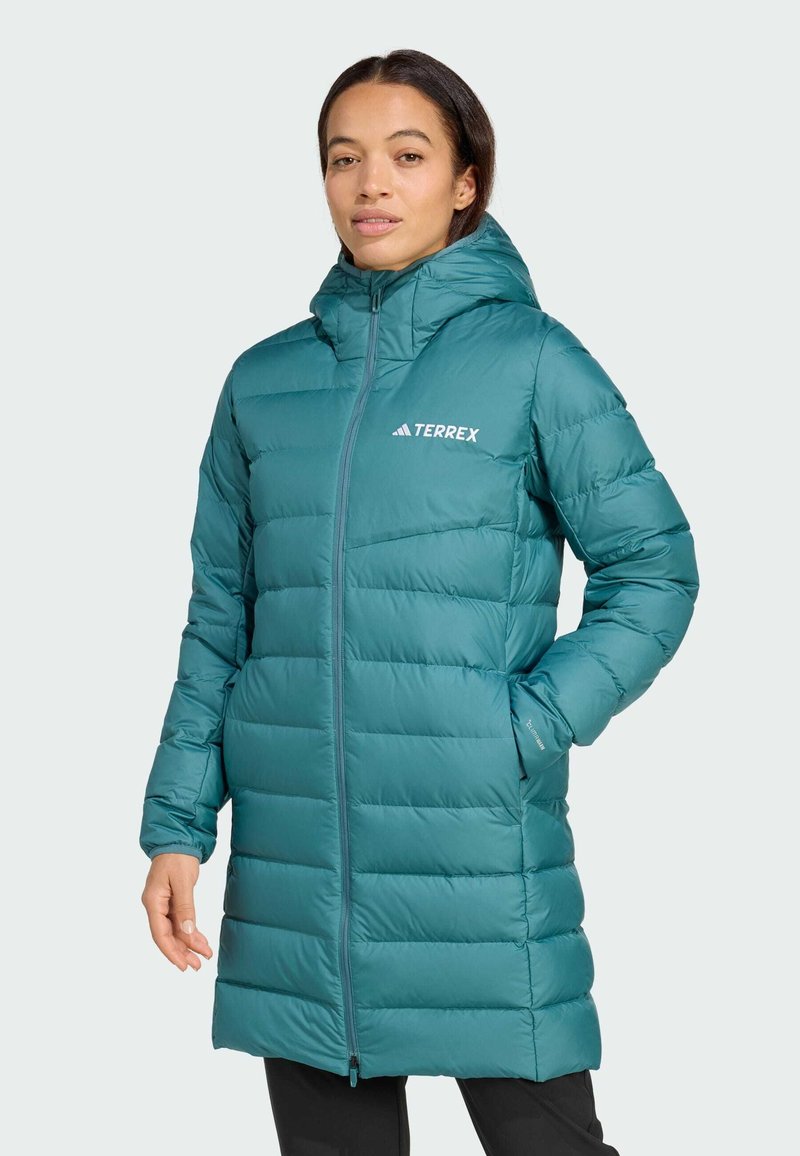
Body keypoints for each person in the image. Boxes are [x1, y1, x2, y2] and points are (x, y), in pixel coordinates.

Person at [140, 47, 699, 1155]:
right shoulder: (263, 381)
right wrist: (177, 824)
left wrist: (521, 726)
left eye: (406, 155)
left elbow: (654, 569)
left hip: (475, 859)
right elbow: (221, 618)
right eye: (342, 158)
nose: (370, 185)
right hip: (296, 874)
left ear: (464, 181)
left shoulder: (533, 361)